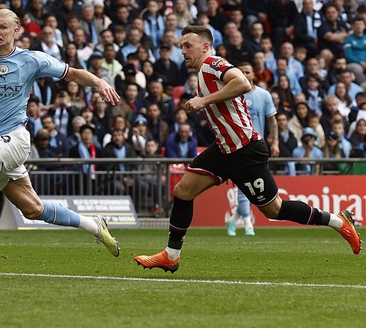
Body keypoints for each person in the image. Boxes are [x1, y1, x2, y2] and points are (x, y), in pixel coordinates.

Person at [135, 26, 362, 273]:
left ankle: (339, 222)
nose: (183, 50)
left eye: (187, 45)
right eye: (181, 46)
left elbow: (242, 82)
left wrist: (204, 100)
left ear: (205, 46)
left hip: (245, 149)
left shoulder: (213, 63)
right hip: (224, 148)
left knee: (274, 210)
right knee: (183, 191)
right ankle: (171, 255)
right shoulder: (202, 73)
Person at [0, 9, 121, 258]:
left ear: (16, 31)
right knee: (33, 209)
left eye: (3, 27)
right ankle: (94, 225)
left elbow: (72, 73)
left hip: (15, 138)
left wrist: (99, 82)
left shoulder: (31, 60)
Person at [226, 62, 280, 237]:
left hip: (257, 147)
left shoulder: (263, 95)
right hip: (237, 147)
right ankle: (248, 225)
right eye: (240, 72)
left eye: (247, 72)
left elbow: (272, 120)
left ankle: (233, 220)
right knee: (243, 186)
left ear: (253, 75)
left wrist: (275, 142)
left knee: (253, 188)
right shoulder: (230, 95)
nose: (244, 74)